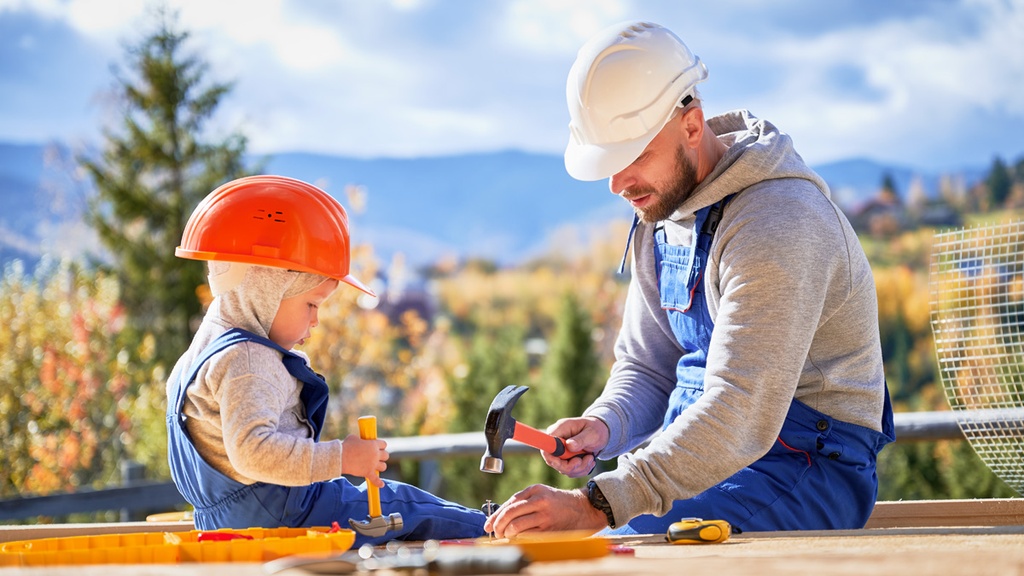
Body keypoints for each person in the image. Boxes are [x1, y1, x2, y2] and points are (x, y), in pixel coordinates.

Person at [485, 21, 895, 538]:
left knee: (618, 551)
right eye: (607, 163)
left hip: (803, 469)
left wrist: (599, 503)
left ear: (693, 126)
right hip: (700, 461)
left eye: (633, 156)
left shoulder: (777, 223)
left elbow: (740, 409)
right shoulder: (665, 211)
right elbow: (649, 367)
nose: (617, 184)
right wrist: (606, 424)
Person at [167, 175, 486, 545]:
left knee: (404, 505)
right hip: (287, 514)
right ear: (267, 289)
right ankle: (497, 530)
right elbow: (253, 453)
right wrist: (342, 458)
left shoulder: (196, 358)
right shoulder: (248, 361)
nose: (316, 321)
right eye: (311, 304)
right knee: (408, 508)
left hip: (225, 522)